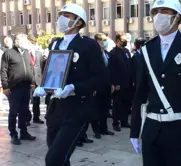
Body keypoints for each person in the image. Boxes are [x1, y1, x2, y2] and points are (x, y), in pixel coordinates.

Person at [130, 0, 181, 165]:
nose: (159, 16)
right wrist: (134, 130)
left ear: (177, 17)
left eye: (165, 11)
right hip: (152, 131)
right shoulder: (147, 49)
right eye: (156, 12)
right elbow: (139, 94)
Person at [33, 3, 106, 166]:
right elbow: (51, 71)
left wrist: (74, 88)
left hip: (77, 110)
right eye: (61, 15)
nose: (61, 19)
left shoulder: (88, 45)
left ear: (79, 22)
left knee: (53, 159)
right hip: (55, 110)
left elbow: (100, 78)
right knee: (59, 157)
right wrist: (45, 86)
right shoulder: (55, 43)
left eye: (67, 15)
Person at [1, 34, 36, 145]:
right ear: (17, 41)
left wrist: (33, 82)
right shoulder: (8, 53)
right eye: (24, 41)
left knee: (24, 111)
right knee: (13, 112)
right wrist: (5, 87)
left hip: (26, 86)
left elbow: (30, 67)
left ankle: (24, 132)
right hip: (14, 88)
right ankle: (13, 134)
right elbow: (3, 71)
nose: (26, 43)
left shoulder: (26, 53)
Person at [110, 33, 133, 132]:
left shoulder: (126, 51)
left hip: (128, 83)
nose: (125, 41)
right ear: (118, 40)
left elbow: (130, 66)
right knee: (117, 104)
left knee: (127, 103)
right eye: (123, 39)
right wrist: (115, 83)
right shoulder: (113, 53)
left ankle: (124, 121)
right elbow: (112, 70)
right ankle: (116, 123)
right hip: (119, 84)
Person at [27, 34, 45, 124]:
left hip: (37, 80)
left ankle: (36, 117)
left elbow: (41, 66)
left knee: (36, 100)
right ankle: (26, 118)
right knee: (27, 100)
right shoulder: (25, 53)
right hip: (27, 80)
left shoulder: (38, 53)